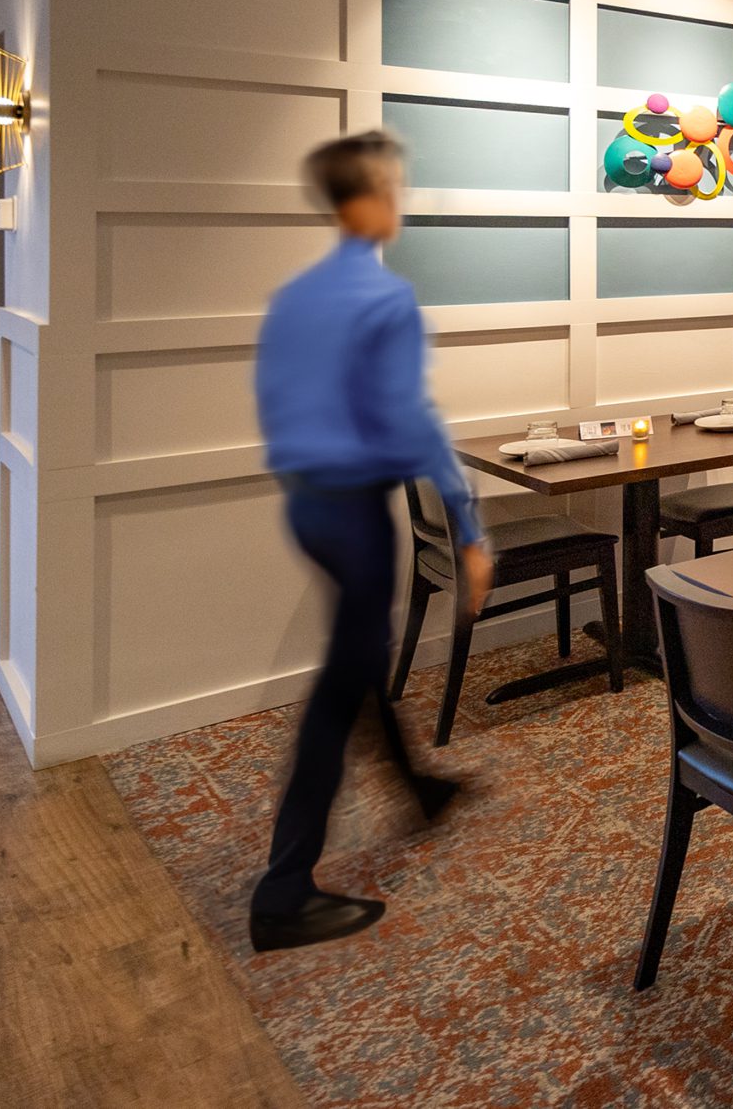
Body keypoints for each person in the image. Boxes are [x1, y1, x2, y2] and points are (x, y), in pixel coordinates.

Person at [249, 132, 487, 952]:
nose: (403, 198)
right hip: (353, 515)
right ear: (373, 193)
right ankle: (282, 890)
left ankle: (416, 787)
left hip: (308, 507)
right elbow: (412, 419)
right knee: (338, 689)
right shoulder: (383, 299)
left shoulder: (296, 296)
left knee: (359, 654)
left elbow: (280, 408)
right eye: (397, 184)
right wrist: (470, 531)